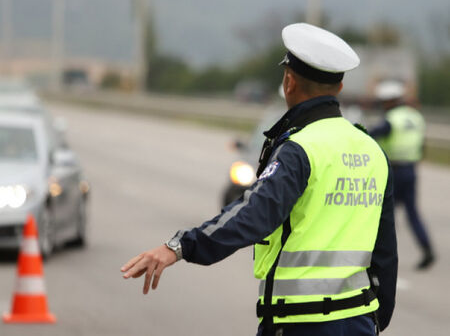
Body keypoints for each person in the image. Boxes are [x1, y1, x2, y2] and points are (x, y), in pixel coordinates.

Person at [121, 23, 398, 336]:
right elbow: (385, 251)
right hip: (359, 320)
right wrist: (375, 321)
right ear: (340, 88)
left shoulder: (301, 148)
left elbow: (252, 215)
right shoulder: (372, 150)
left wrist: (180, 246)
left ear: (289, 82)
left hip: (299, 324)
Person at [370, 80, 435, 270]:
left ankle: (380, 254)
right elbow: (422, 145)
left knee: (382, 215)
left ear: (389, 101)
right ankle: (427, 248)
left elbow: (369, 137)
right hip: (411, 170)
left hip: (393, 170)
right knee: (412, 213)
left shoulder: (391, 120)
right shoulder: (416, 117)